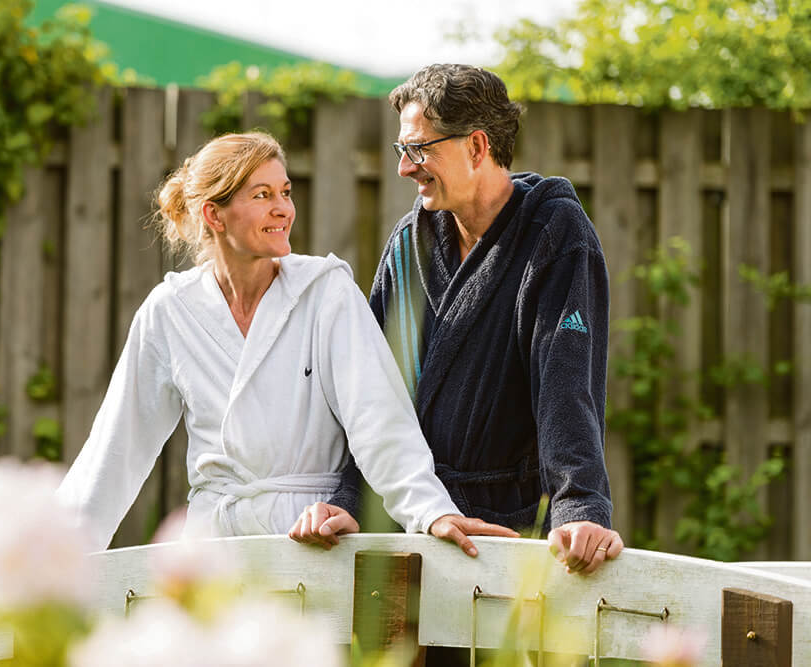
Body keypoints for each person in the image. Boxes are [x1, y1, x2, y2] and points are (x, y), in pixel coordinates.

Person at [56, 131, 519, 555]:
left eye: (285, 192)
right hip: (214, 545)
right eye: (262, 195)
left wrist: (430, 511)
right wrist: (59, 557)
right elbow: (116, 449)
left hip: (311, 538)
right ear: (213, 215)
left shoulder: (325, 291)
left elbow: (379, 418)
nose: (284, 209)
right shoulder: (170, 311)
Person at [289, 64, 624, 576]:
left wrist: (579, 506)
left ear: (476, 146)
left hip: (507, 532)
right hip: (406, 521)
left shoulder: (554, 234)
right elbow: (373, 392)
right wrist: (349, 498)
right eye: (402, 149)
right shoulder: (408, 245)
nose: (405, 167)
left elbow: (567, 380)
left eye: (419, 149)